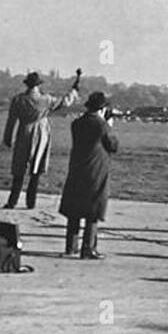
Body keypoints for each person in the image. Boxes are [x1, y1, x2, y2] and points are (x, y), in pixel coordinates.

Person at [2, 68, 81, 209]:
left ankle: (12, 201)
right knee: (36, 169)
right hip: (41, 133)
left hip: (23, 132)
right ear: (38, 85)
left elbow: (11, 120)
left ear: (27, 85)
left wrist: (7, 138)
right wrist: (74, 90)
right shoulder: (46, 99)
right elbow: (65, 102)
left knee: (19, 169)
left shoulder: (18, 99)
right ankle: (31, 203)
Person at [59, 92, 120, 259]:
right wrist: (109, 124)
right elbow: (113, 145)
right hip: (95, 170)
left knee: (75, 210)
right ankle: (88, 247)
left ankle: (71, 246)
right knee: (93, 210)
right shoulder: (102, 125)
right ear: (102, 108)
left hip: (77, 168)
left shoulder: (77, 123)